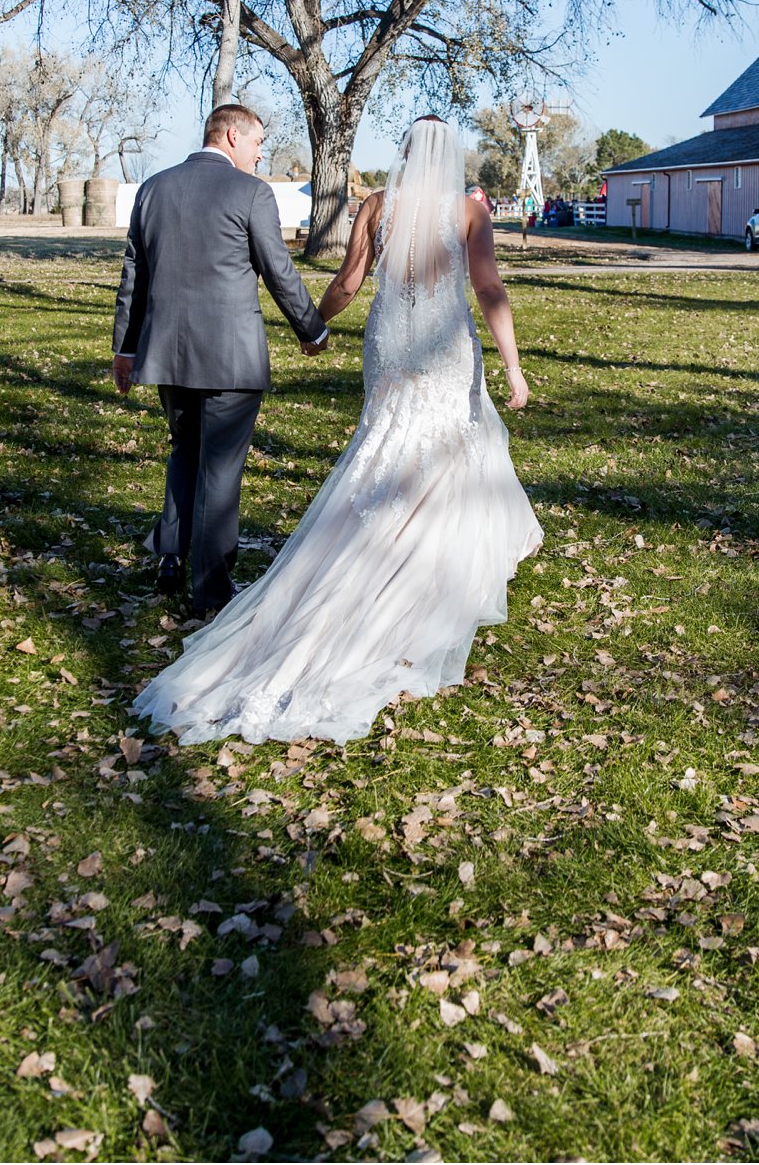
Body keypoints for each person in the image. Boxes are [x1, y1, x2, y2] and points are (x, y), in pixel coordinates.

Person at [131, 115, 542, 745]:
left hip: (390, 346)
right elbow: (488, 286)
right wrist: (513, 365)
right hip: (442, 345)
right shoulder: (468, 211)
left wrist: (316, 326)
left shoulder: (379, 205)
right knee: (447, 450)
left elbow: (350, 281)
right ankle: (426, 562)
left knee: (385, 445)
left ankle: (358, 546)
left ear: (406, 154)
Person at [113, 103, 330, 617]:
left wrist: (124, 348)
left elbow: (133, 277)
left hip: (167, 352)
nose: (260, 154)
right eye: (258, 143)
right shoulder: (251, 192)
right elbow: (278, 271)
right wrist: (312, 329)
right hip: (231, 357)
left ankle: (170, 555)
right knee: (220, 472)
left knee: (184, 450)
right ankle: (210, 592)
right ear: (232, 136)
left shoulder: (154, 188)